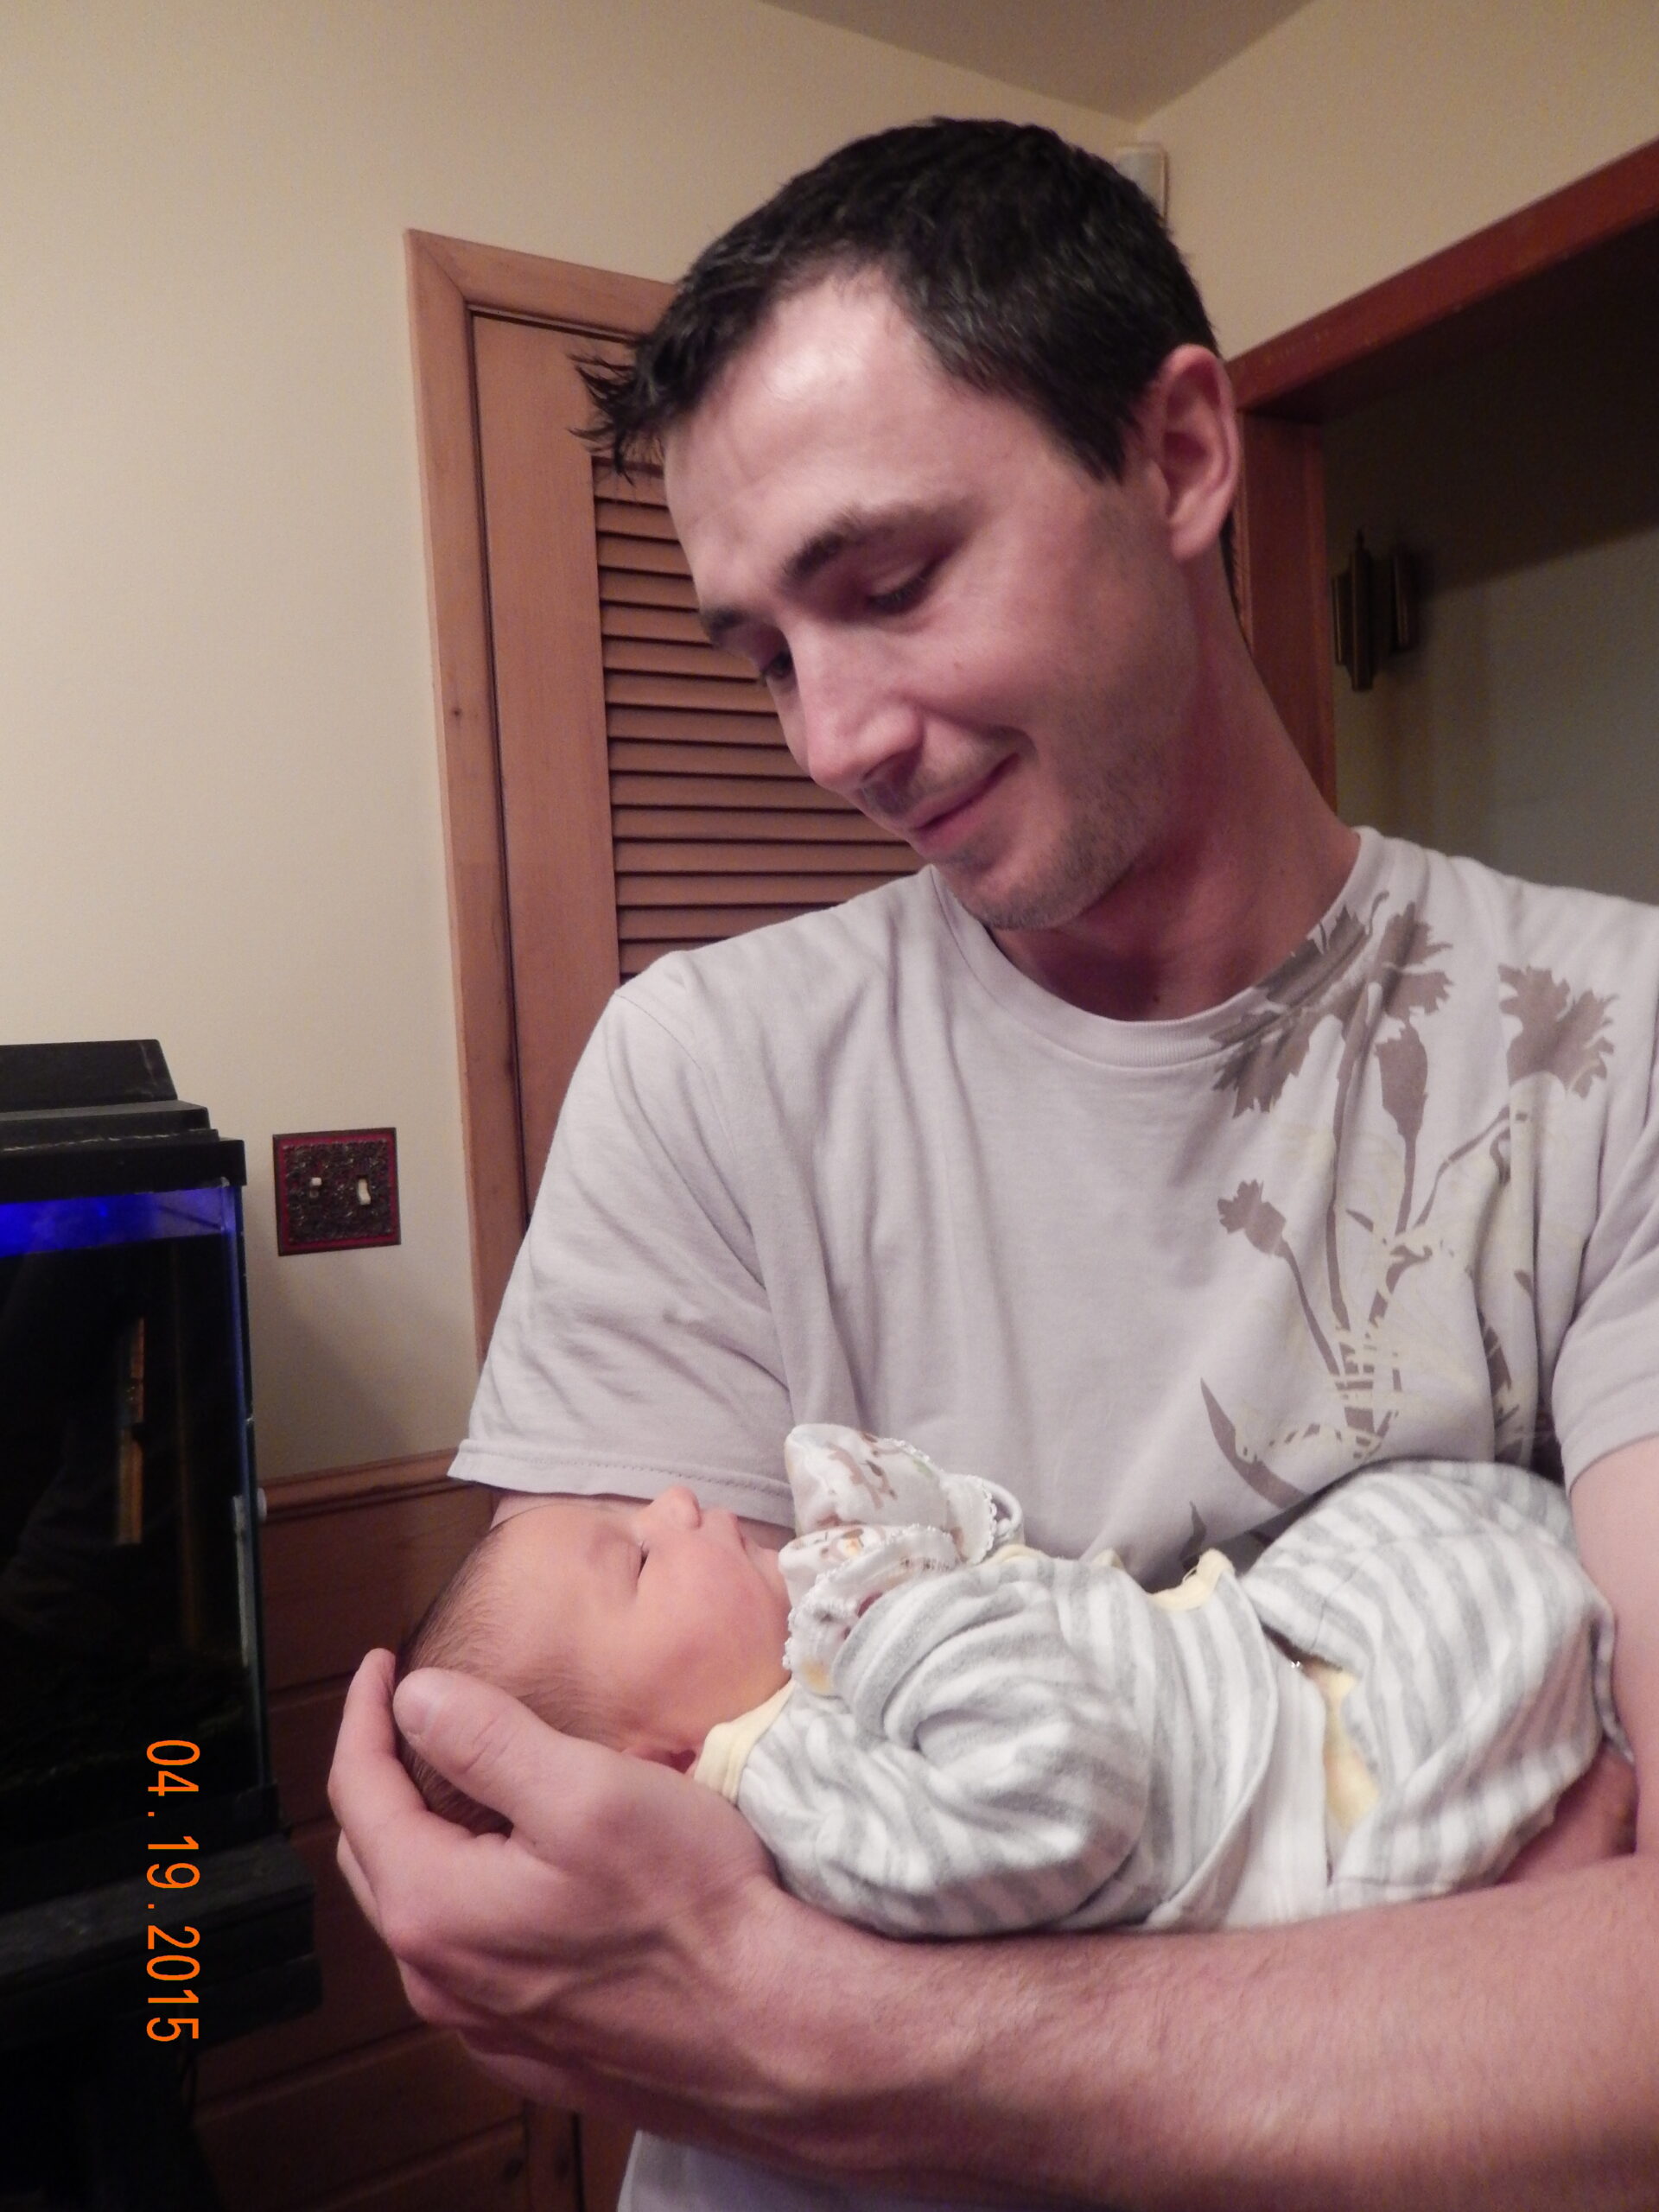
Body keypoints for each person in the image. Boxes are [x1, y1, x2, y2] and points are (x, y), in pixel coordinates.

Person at [331, 119, 1659, 2210]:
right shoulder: (709, 1070)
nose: (831, 738)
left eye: (888, 586)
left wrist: (838, 2032)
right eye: (767, 655)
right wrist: (1452, 1986)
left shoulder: (1613, 1041)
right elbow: (589, 1895)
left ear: (1182, 457)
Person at [398, 1426, 1624, 1944]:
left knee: (1404, 1520)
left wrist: (916, 1531)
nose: (673, 1505)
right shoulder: (803, 1801)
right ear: (657, 1760)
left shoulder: (804, 1681)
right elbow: (1061, 1798)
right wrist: (897, 1611)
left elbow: (1017, 1602)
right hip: (1295, 1794)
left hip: (1241, 1668)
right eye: (637, 1560)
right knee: (1497, 1621)